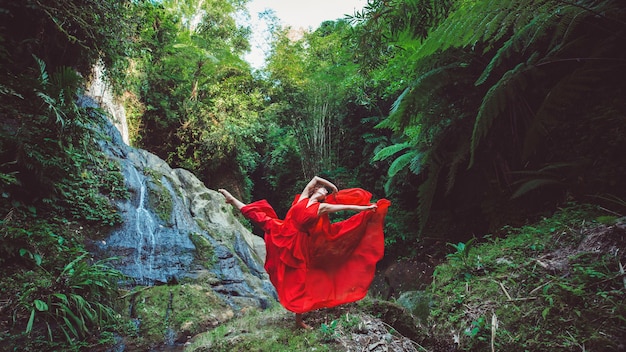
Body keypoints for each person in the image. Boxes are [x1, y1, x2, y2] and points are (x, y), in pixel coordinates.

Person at [219, 176, 390, 329]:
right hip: (284, 230)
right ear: (316, 191)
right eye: (323, 189)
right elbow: (315, 179)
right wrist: (333, 187)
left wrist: (366, 210)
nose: (324, 190)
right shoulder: (303, 197)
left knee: (300, 278)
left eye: (326, 191)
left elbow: (345, 207)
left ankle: (298, 317)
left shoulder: (321, 207)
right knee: (257, 215)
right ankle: (232, 199)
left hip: (297, 243)